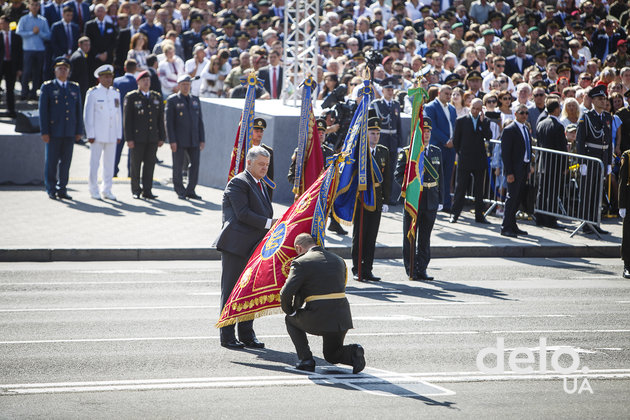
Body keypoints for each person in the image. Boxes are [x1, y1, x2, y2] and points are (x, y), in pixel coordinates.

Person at [214, 146, 273, 350]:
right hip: (236, 247)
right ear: (249, 162)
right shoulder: (239, 182)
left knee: (250, 292)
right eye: (261, 164)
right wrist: (270, 223)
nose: (265, 168)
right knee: (231, 291)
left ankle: (247, 335)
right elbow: (243, 214)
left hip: (254, 248)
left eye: (267, 164)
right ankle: (227, 335)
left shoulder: (261, 183)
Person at [280, 233, 365, 374]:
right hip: (342, 317)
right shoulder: (339, 260)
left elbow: (286, 292)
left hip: (319, 316)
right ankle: (353, 352)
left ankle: (305, 359)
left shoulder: (301, 262)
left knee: (290, 319)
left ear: (298, 248)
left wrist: (291, 310)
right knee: (332, 355)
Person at [394, 116, 443, 280]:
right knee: (410, 236)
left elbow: (440, 177)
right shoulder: (408, 152)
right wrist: (409, 190)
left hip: (431, 200)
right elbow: (398, 175)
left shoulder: (436, 151)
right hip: (414, 200)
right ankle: (411, 268)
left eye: (429, 131)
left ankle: (422, 268)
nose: (427, 135)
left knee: (425, 238)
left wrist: (441, 200)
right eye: (424, 131)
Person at [38, 56, 83, 200]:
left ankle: (62, 188)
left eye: (65, 69)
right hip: (53, 131)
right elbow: (43, 112)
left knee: (66, 162)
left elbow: (78, 111)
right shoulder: (48, 87)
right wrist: (44, 131)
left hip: (69, 131)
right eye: (60, 69)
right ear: (55, 71)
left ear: (69, 71)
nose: (63, 71)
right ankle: (51, 188)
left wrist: (79, 131)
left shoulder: (74, 87)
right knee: (51, 162)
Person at [352, 116, 390, 282]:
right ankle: (357, 268)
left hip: (377, 201)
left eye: (377, 133)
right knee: (359, 236)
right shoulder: (359, 152)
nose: (375, 136)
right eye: (372, 133)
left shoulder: (383, 152)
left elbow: (387, 178)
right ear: (366, 134)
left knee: (371, 237)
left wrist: (387, 200)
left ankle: (368, 269)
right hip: (362, 200)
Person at [575, 84, 613, 235]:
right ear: (593, 100)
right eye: (600, 99)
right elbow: (580, 141)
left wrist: (608, 162)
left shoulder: (607, 117)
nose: (603, 101)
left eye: (604, 98)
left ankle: (595, 222)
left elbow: (609, 141)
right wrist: (582, 162)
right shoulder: (586, 117)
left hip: (602, 159)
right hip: (590, 158)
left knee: (598, 193)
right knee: (587, 192)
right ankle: (586, 223)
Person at [123, 70, 165, 199]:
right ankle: (136, 190)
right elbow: (127, 120)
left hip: (152, 137)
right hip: (137, 138)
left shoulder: (156, 97)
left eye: (148, 80)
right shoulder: (132, 97)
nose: (146, 82)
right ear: (138, 83)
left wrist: (162, 137)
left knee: (150, 165)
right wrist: (129, 138)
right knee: (136, 165)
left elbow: (160, 119)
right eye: (143, 80)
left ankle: (147, 190)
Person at [450, 98, 492, 224]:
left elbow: (488, 136)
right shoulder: (461, 121)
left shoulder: (485, 121)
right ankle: (455, 214)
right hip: (465, 159)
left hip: (479, 160)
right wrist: (461, 154)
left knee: (480, 190)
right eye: (473, 108)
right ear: (470, 107)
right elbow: (456, 141)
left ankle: (479, 215)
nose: (475, 111)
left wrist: (483, 122)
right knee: (460, 188)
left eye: (478, 109)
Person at [83, 64, 122, 200]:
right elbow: (88, 115)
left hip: (111, 133)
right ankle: (93, 189)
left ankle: (107, 189)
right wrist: (90, 134)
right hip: (98, 134)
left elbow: (118, 115)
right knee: (95, 163)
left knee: (109, 164)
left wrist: (118, 134)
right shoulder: (93, 93)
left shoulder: (115, 93)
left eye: (110, 77)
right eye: (105, 77)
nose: (108, 79)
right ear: (99, 78)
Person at [165, 74, 205, 200]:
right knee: (178, 165)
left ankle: (191, 190)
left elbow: (200, 121)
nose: (186, 87)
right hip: (179, 139)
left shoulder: (195, 100)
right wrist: (172, 140)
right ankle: (180, 190)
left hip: (194, 138)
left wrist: (202, 139)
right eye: (183, 85)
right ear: (179, 86)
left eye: (188, 84)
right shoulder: (173, 100)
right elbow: (169, 123)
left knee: (195, 165)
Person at [500, 103, 533, 238]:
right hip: (514, 169)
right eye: (521, 113)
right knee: (511, 198)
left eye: (526, 113)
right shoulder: (509, 130)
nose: (524, 115)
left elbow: (527, 148)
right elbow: (506, 154)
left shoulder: (525, 128)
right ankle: (505, 226)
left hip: (523, 167)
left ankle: (512, 225)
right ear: (515, 114)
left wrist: (529, 165)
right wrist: (509, 172)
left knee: (517, 198)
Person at [370, 77, 403, 205]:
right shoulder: (377, 104)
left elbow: (399, 126)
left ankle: (389, 197)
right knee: (379, 169)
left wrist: (399, 144)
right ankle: (377, 195)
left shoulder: (396, 105)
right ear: (382, 90)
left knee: (391, 170)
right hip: (381, 140)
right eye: (387, 89)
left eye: (391, 89)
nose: (390, 92)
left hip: (393, 142)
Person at [535, 98, 568, 229]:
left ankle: (540, 217)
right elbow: (562, 148)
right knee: (553, 193)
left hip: (543, 163)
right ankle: (550, 220)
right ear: (556, 109)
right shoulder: (558, 126)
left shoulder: (541, 124)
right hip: (555, 164)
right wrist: (565, 166)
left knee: (542, 191)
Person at [424, 84, 457, 212]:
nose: (449, 96)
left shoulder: (452, 109)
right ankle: (434, 202)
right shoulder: (430, 107)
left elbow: (454, 126)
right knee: (435, 175)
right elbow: (432, 127)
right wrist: (446, 140)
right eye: (446, 94)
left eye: (450, 94)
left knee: (448, 176)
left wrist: (454, 140)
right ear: (439, 93)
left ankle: (446, 203)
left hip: (450, 148)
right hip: (437, 146)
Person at [16, 0, 50, 100]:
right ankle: (24, 92)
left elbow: (48, 35)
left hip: (40, 49)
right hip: (28, 49)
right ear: (29, 6)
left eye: (36, 5)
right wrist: (32, 32)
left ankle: (33, 93)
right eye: (33, 5)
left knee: (37, 73)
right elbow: (19, 32)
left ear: (39, 7)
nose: (35, 7)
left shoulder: (42, 20)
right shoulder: (24, 19)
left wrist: (39, 33)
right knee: (26, 72)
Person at [113, 59, 138, 178]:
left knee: (117, 147)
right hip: (134, 119)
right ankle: (131, 172)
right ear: (135, 69)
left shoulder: (117, 81)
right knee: (132, 148)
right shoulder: (137, 82)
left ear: (124, 68)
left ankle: (113, 171)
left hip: (118, 118)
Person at [0, 15, 23, 119]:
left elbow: (20, 54)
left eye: (3, 23)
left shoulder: (16, 37)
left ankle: (11, 110)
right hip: (1, 64)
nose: (1, 25)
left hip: (11, 65)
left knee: (10, 89)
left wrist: (19, 68)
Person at [250, 117, 275, 199]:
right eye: (256, 131)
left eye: (261, 131)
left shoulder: (268, 151)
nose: (259, 134)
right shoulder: (245, 150)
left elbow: (270, 176)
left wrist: (269, 200)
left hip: (261, 191)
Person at [618, 149, 630, 278]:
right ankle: (627, 264)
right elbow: (622, 181)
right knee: (628, 233)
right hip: (629, 201)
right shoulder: (627, 156)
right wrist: (622, 205)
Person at [69, 36, 90, 102]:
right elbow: (75, 75)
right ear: (79, 45)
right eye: (85, 45)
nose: (87, 47)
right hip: (79, 89)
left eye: (89, 45)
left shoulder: (81, 55)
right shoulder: (79, 57)